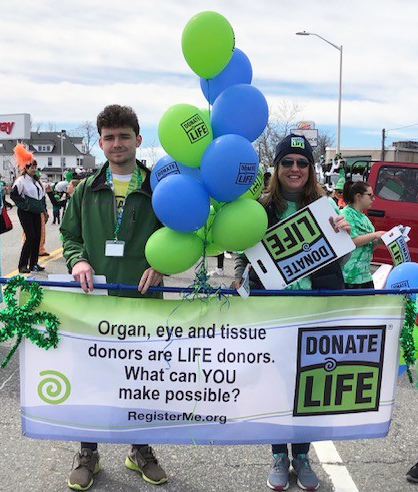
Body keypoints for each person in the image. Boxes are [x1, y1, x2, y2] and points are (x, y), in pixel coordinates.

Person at [233, 134, 350, 491]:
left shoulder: (325, 206)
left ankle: (302, 454)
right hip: (275, 312)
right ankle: (279, 455)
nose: (295, 169)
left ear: (311, 169)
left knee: (311, 385)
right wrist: (241, 282)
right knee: (276, 385)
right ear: (277, 167)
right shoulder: (260, 208)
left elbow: (338, 260)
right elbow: (243, 254)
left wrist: (343, 237)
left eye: (302, 163)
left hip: (317, 310)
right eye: (288, 162)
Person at [60, 104, 166, 491]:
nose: (117, 143)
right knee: (93, 377)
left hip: (142, 303)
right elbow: (69, 236)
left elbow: (179, 235)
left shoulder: (159, 188)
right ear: (101, 143)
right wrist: (77, 261)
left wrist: (163, 265)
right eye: (109, 137)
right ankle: (88, 451)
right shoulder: (86, 190)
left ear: (138, 140)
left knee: (138, 378)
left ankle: (139, 449)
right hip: (95, 304)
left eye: (124, 136)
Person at [341, 180, 386, 289]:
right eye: (370, 195)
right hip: (349, 276)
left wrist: (381, 240)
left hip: (365, 276)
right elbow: (351, 242)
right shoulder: (345, 214)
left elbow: (369, 246)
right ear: (358, 196)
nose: (373, 199)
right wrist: (375, 235)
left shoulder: (365, 218)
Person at [10, 144, 46, 273]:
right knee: (30, 237)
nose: (34, 168)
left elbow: (41, 197)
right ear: (26, 167)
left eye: (35, 166)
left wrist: (44, 211)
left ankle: (34, 264)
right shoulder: (21, 180)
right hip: (26, 212)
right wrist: (24, 205)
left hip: (36, 211)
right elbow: (14, 194)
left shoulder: (36, 181)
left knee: (37, 238)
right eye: (32, 166)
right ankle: (22, 265)